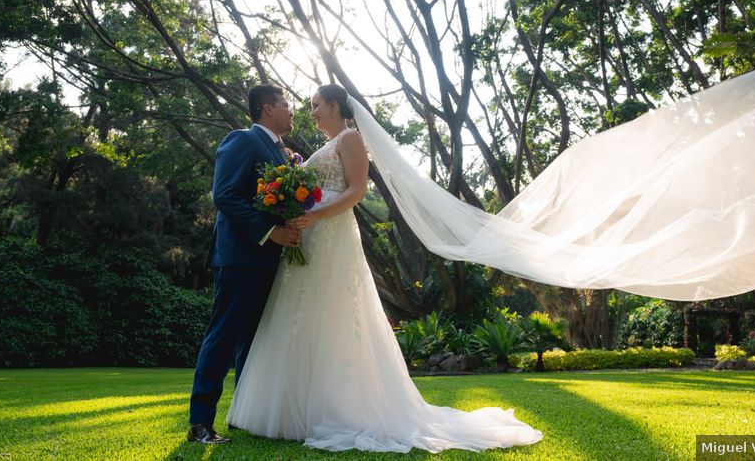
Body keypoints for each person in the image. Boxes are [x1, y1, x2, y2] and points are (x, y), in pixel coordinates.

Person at [226, 84, 544, 453]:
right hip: (311, 238)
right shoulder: (319, 148)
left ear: (334, 105)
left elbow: (357, 191)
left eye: (316, 105)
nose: (310, 112)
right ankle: (293, 411)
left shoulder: (351, 139)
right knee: (302, 315)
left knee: (333, 315)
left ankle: (339, 409)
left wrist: (312, 216)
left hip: (330, 235)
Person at [187, 85, 303, 445]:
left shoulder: (280, 152)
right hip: (240, 258)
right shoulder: (242, 140)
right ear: (267, 109)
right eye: (286, 103)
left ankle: (243, 416)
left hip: (269, 261)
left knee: (253, 344)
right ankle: (200, 424)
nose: (291, 109)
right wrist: (270, 231)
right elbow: (224, 195)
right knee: (223, 338)